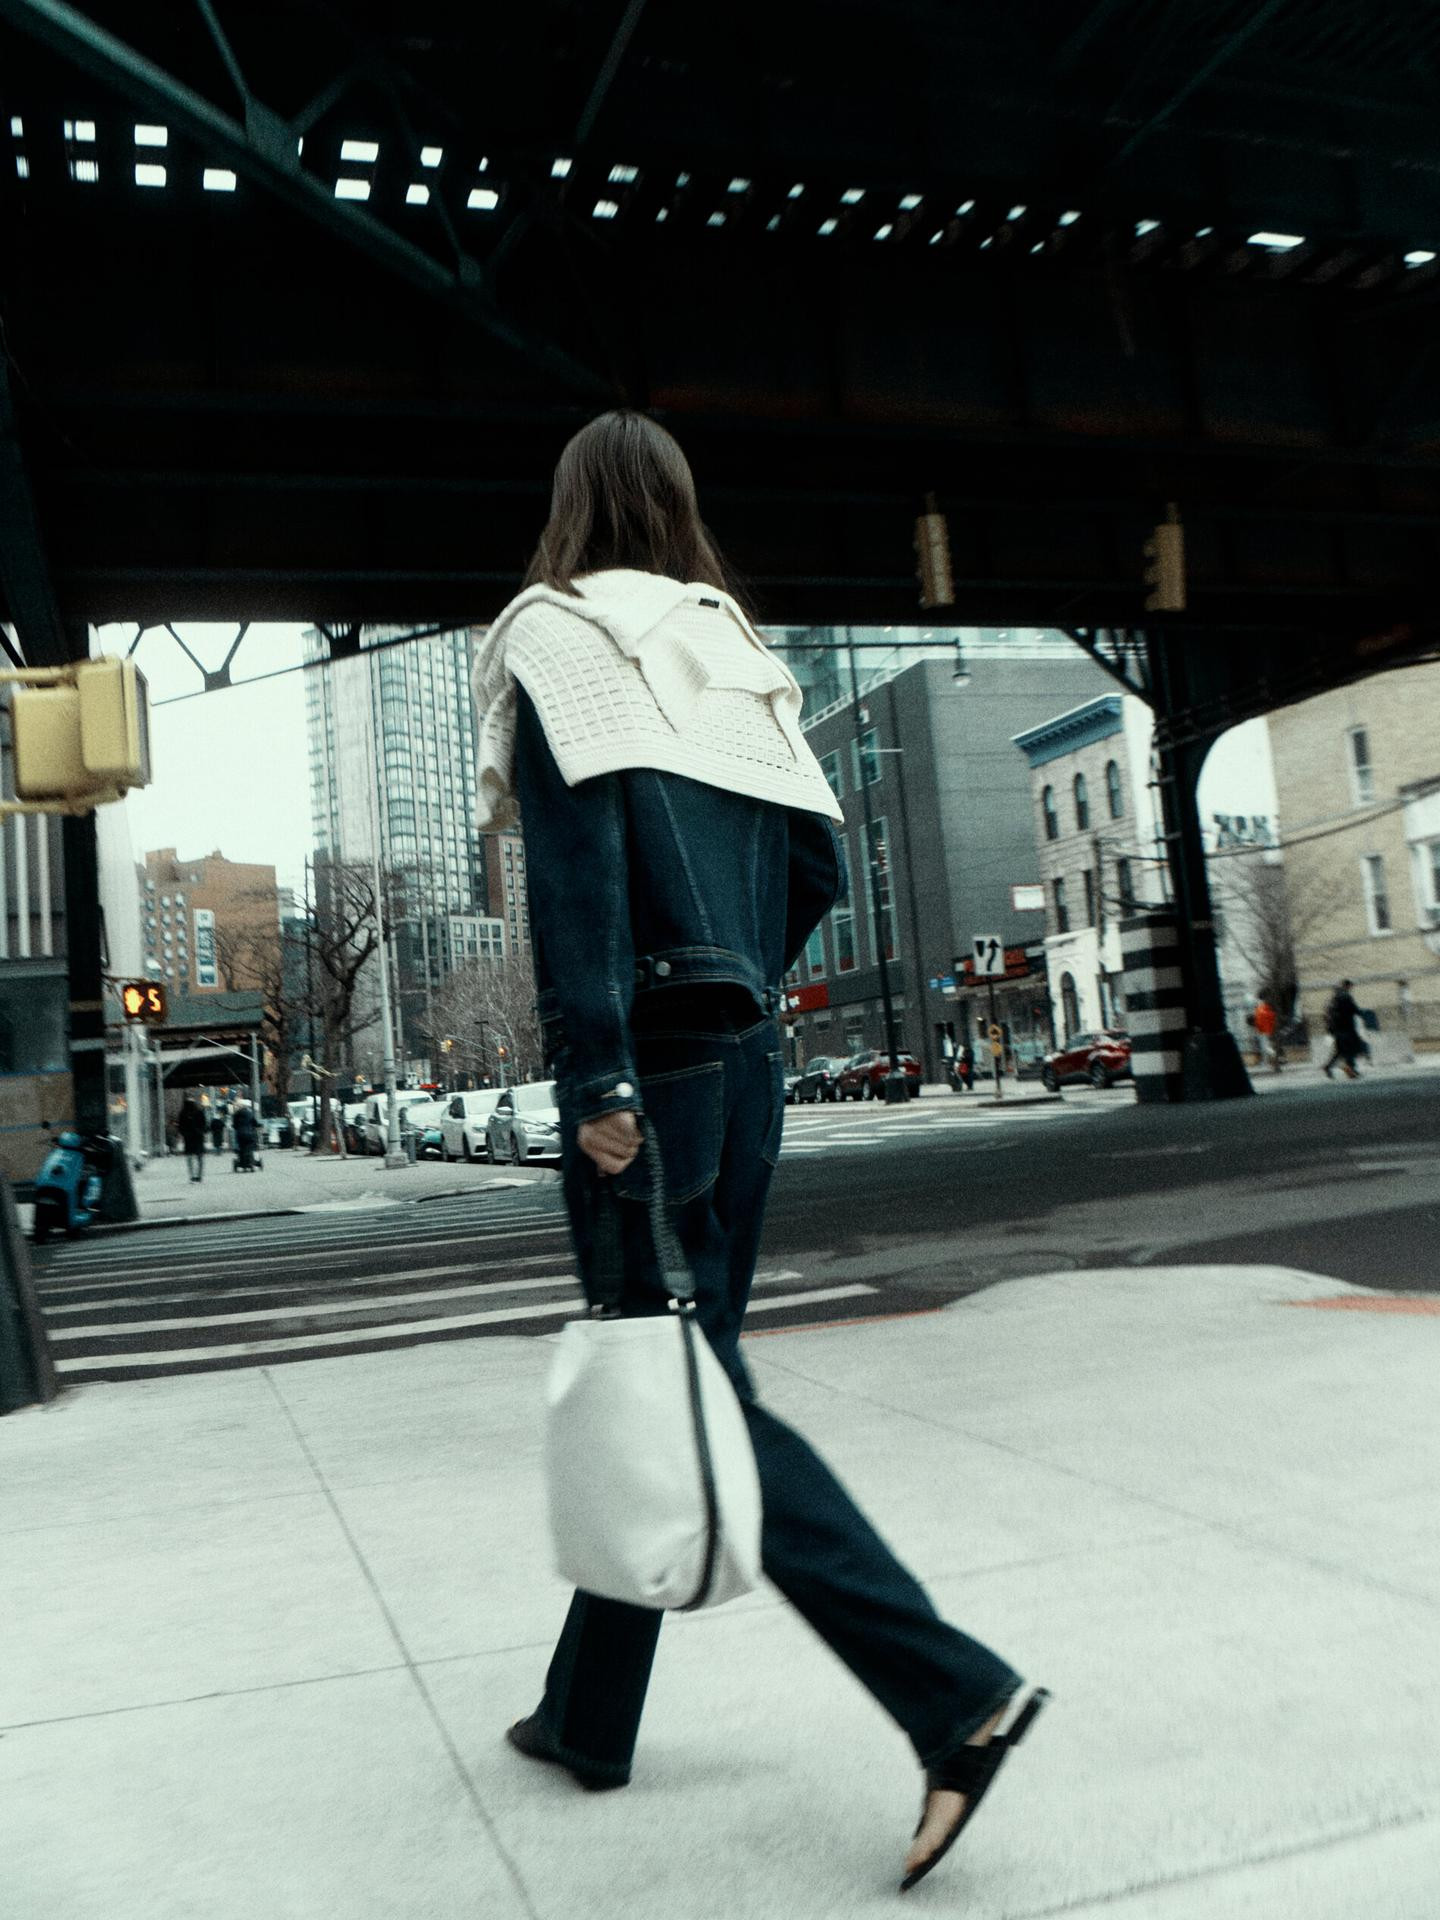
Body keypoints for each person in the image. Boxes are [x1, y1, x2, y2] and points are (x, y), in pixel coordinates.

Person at [471, 410, 1044, 1894]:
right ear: (677, 510)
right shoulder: (737, 657)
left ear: (569, 508)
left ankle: (950, 1695)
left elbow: (578, 869)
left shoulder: (559, 641)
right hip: (747, 1065)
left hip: (638, 1079)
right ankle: (590, 1717)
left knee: (684, 1383)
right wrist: (734, 984)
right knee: (678, 1365)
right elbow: (818, 868)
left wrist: (598, 1060)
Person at [1322, 979, 1363, 1080]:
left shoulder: (1333, 998)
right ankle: (1351, 1071)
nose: (1351, 989)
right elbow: (1354, 1010)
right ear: (1347, 986)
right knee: (1349, 1050)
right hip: (1346, 1028)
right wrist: (1361, 1013)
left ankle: (1328, 1067)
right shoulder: (1345, 997)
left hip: (1336, 1029)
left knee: (1340, 1051)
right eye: (1350, 987)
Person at [176, 1097, 207, 1181]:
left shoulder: (183, 1113)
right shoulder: (199, 1112)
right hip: (198, 1137)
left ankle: (192, 1175)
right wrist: (201, 1132)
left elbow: (180, 1126)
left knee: (190, 1157)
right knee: (199, 1157)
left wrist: (184, 1134)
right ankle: (199, 1175)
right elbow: (204, 1124)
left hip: (188, 1138)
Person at [1253, 995, 1281, 1073]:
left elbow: (1258, 1022)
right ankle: (1272, 1061)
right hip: (1270, 1031)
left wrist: (1259, 1029)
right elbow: (1273, 1020)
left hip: (1263, 1032)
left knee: (1266, 1047)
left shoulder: (1260, 1011)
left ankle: (1272, 1058)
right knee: (1268, 1046)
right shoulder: (1268, 1010)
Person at [231, 1097, 260, 1170]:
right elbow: (255, 1123)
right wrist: (257, 1126)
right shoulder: (250, 1113)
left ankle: (243, 1163)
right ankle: (251, 1162)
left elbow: (234, 1125)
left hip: (240, 1134)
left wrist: (236, 1126)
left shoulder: (236, 1115)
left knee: (241, 1148)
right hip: (250, 1134)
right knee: (250, 1147)